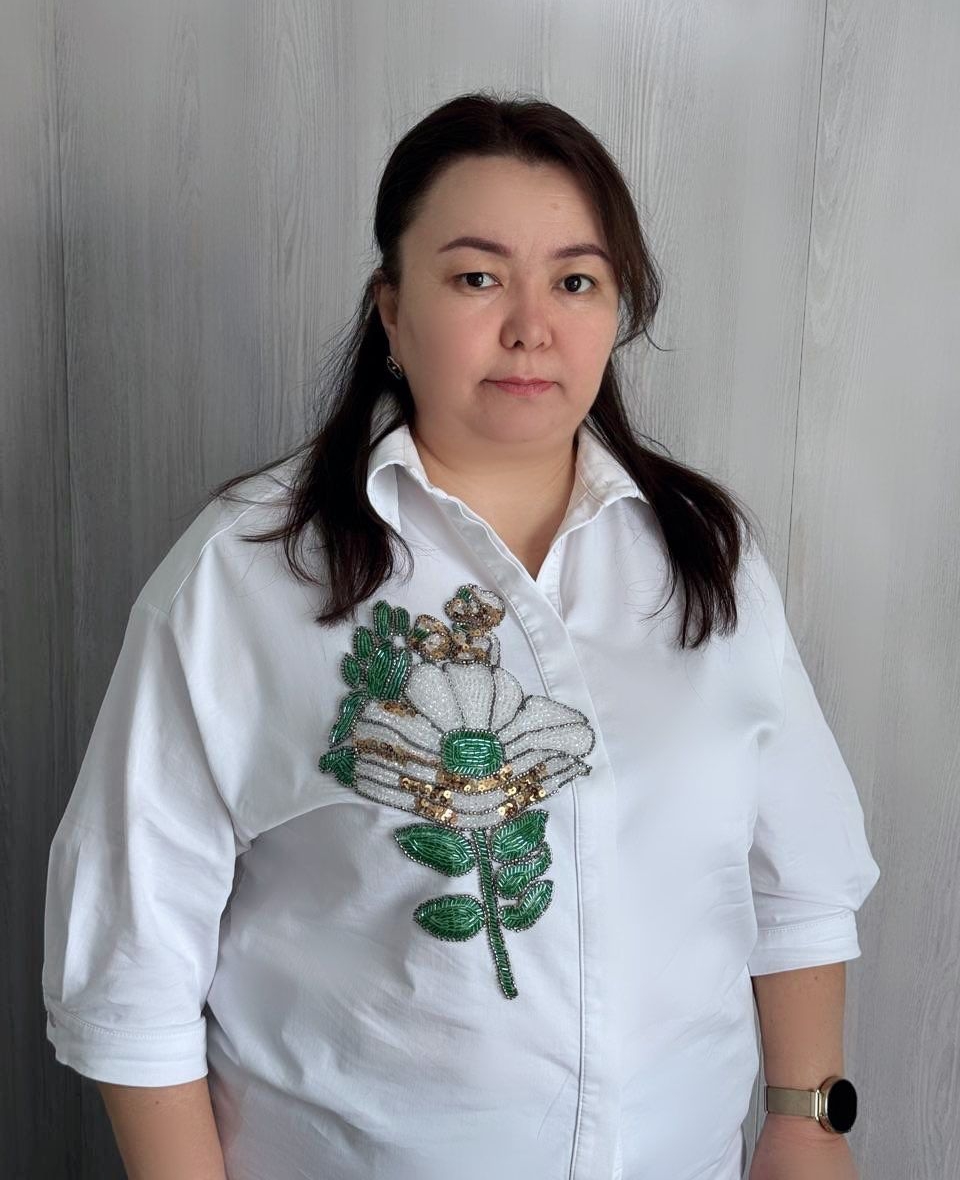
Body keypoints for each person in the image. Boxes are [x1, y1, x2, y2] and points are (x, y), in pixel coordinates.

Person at [42, 92, 880, 1180]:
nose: (532, 326)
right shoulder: (248, 571)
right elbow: (131, 960)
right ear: (392, 311)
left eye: (575, 281)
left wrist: (805, 1119)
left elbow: (796, 875)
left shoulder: (704, 555)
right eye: (478, 277)